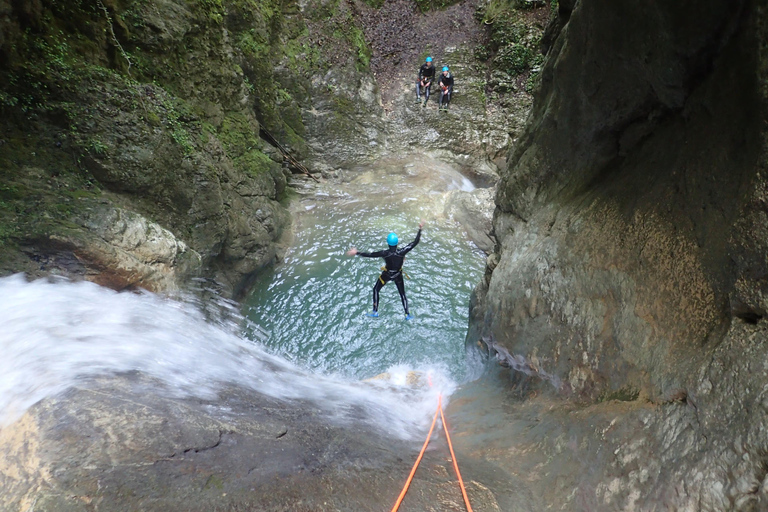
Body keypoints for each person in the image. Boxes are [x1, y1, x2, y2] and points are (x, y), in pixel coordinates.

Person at [346, 222, 424, 320]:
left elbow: (370, 255)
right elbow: (415, 242)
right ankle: (407, 314)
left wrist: (357, 252)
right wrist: (420, 229)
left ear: (388, 243)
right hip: (398, 274)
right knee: (402, 294)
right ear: (397, 243)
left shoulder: (384, 253)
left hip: (387, 275)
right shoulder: (402, 252)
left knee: (376, 290)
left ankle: (375, 311)